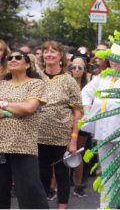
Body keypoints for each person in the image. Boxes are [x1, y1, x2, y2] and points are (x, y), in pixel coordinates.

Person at [81, 43, 120, 208]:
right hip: (103, 132)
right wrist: (87, 110)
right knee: (107, 173)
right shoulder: (103, 77)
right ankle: (106, 206)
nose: (113, 62)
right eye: (111, 58)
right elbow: (86, 92)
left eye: (118, 58)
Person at [0, 50, 48, 209]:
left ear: (27, 64)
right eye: (10, 58)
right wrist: (15, 109)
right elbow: (22, 108)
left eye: (18, 57)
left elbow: (29, 108)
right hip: (0, 145)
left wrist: (4, 106)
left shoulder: (36, 83)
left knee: (30, 191)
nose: (13, 59)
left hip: (23, 144)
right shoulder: (1, 84)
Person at [38, 40, 83, 209]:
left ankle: (62, 207)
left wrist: (73, 139)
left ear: (60, 56)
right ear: (42, 56)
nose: (49, 54)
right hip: (39, 136)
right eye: (46, 51)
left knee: (62, 174)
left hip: (62, 137)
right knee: (42, 175)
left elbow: (78, 111)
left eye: (53, 51)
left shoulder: (68, 81)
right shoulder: (36, 78)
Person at [69, 55, 90, 197]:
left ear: (84, 70)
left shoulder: (88, 86)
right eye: (74, 67)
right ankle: (53, 187)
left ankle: (78, 185)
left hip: (82, 124)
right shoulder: (66, 83)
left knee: (78, 154)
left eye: (79, 67)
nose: (76, 70)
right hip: (66, 124)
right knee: (61, 154)